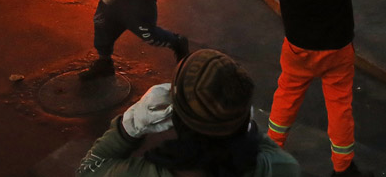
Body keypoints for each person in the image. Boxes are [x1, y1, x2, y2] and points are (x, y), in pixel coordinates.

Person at [226, 0, 386, 177]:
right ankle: (343, 168)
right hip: (337, 51)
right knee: (340, 108)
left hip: (298, 50)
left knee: (285, 100)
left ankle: (268, 155)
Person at [76, 48, 300, 176]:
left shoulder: (143, 173)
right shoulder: (280, 167)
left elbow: (87, 171)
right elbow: (265, 147)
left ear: (179, 120)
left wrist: (127, 128)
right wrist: (241, 123)